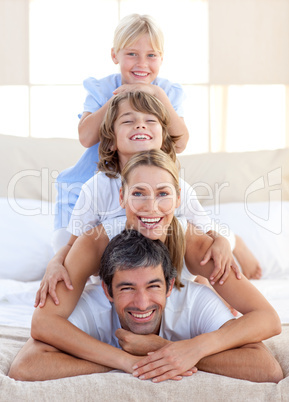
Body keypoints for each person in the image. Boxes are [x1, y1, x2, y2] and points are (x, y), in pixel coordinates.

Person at [51, 13, 261, 286]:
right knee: (68, 253)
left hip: (146, 185)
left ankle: (233, 241)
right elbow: (86, 136)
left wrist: (158, 97)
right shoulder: (103, 89)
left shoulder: (167, 92)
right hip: (89, 184)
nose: (142, 63)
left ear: (161, 58)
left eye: (152, 55)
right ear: (115, 55)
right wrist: (121, 97)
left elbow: (181, 141)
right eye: (132, 54)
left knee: (186, 236)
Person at [36, 91, 241, 308]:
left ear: (163, 139)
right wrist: (54, 263)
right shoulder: (97, 188)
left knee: (217, 293)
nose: (140, 125)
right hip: (120, 283)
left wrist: (222, 242)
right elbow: (72, 245)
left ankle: (215, 269)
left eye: (150, 120)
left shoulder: (178, 188)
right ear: (111, 141)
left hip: (173, 280)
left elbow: (208, 234)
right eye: (128, 121)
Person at [8, 230, 283, 383]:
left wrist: (158, 348)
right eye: (126, 288)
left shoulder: (194, 300)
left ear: (170, 285)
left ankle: (233, 238)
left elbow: (267, 369)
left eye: (153, 286)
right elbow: (26, 367)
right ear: (107, 290)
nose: (141, 303)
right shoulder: (91, 302)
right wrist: (127, 362)